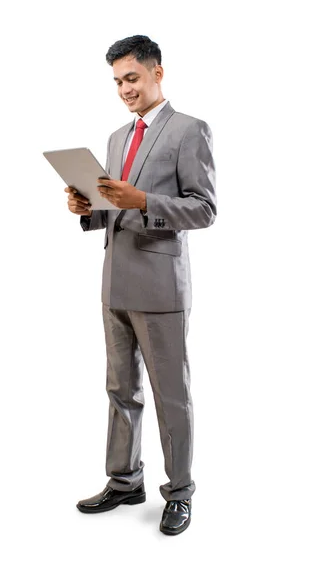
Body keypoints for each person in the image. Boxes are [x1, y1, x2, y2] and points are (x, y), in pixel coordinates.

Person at [64, 35, 217, 536]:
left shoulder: (189, 130)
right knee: (120, 390)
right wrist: (88, 209)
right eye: (117, 82)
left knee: (171, 395)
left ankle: (180, 493)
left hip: (161, 287)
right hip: (115, 284)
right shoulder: (115, 137)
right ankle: (125, 480)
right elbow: (114, 206)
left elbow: (204, 208)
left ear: (158, 73)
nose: (124, 89)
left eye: (132, 78)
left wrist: (143, 200)